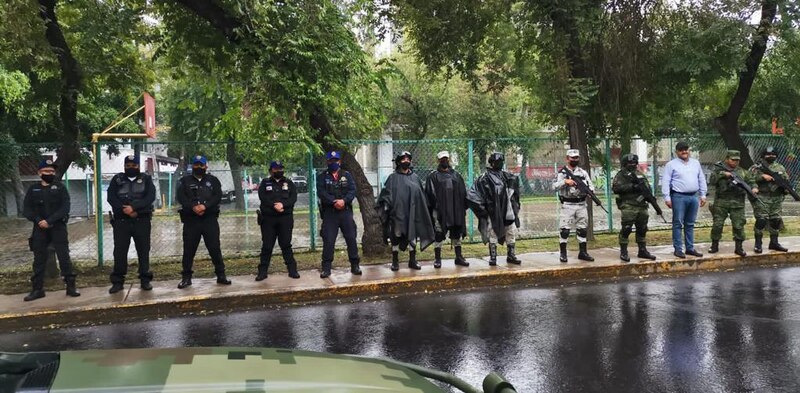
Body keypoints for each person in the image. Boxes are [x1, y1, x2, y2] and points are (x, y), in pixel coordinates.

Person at [22, 159, 80, 301]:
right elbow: (27, 209)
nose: (50, 173)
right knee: (39, 259)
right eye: (47, 171)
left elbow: (65, 208)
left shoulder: (60, 188)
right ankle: (37, 289)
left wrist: (49, 221)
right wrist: (38, 221)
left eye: (52, 171)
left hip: (58, 227)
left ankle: (70, 287)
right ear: (39, 173)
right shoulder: (33, 189)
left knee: (64, 257)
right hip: (39, 229)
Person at [176, 155, 231, 289]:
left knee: (214, 248)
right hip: (191, 221)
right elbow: (181, 197)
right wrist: (193, 207)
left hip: (209, 220)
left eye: (201, 165)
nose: (199, 167)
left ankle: (221, 275)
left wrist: (205, 206)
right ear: (192, 166)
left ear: (206, 166)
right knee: (189, 250)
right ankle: (186, 278)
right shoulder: (184, 181)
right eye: (196, 165)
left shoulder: (213, 180)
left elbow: (217, 196)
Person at [377, 151, 436, 271]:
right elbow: (385, 195)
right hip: (397, 213)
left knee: (412, 236)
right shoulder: (392, 178)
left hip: (413, 213)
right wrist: (387, 207)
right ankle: (395, 261)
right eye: (403, 159)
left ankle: (412, 260)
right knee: (396, 237)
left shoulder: (415, 178)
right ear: (398, 162)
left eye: (408, 159)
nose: (406, 161)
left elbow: (422, 196)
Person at [107, 155, 156, 293]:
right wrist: (126, 210)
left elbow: (150, 197)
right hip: (121, 221)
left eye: (133, 165)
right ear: (124, 166)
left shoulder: (146, 179)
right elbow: (111, 198)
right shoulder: (117, 180)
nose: (131, 167)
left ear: (138, 166)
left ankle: (145, 280)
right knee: (120, 251)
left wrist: (134, 208)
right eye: (128, 165)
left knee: (143, 250)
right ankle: (118, 282)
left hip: (142, 220)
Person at [467, 152, 521, 266]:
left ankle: (511, 255)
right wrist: (484, 209)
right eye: (497, 162)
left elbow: (514, 191)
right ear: (492, 163)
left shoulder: (506, 175)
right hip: (493, 211)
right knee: (493, 232)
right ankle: (493, 257)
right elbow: (472, 195)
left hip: (508, 211)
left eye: (501, 162)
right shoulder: (485, 177)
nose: (500, 164)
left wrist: (515, 206)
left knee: (510, 232)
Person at [317, 151, 361, 278]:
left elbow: (353, 190)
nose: (333, 163)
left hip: (345, 212)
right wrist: (333, 201)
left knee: (351, 238)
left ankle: (355, 265)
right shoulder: (322, 177)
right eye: (331, 161)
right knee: (329, 240)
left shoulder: (347, 175)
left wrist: (344, 201)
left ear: (339, 162)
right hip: (330, 213)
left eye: (336, 161)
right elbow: (321, 192)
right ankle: (326, 268)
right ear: (327, 162)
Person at [660, 141, 707, 259]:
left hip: (693, 197)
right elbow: (665, 181)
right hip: (678, 197)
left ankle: (690, 248)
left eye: (686, 149)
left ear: (689, 150)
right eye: (681, 150)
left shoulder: (695, 163)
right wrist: (667, 197)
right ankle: (678, 249)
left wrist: (703, 195)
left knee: (690, 224)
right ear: (677, 152)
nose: (684, 151)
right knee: (677, 223)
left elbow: (701, 178)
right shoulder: (671, 165)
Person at [256, 160, 300, 281]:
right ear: (271, 170)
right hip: (268, 219)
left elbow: (293, 198)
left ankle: (293, 270)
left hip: (285, 219)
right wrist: (274, 205)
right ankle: (262, 272)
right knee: (267, 246)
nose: (279, 171)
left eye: (281, 168)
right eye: (276, 169)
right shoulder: (265, 183)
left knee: (286, 244)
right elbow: (263, 198)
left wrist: (283, 205)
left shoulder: (289, 183)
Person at [709, 150, 758, 257]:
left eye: (737, 160)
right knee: (717, 224)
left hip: (738, 203)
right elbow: (712, 180)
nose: (735, 162)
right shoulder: (718, 170)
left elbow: (751, 181)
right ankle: (714, 245)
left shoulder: (743, 172)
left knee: (739, 225)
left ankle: (739, 247)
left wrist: (754, 188)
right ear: (727, 159)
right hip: (721, 202)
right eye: (733, 160)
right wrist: (723, 174)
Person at [424, 151, 469, 268]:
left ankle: (459, 257)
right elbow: (430, 194)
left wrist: (463, 207)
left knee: (456, 233)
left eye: (446, 159)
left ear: (449, 160)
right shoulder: (433, 176)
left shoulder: (456, 175)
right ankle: (437, 258)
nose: (445, 161)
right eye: (442, 159)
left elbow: (463, 192)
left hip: (455, 210)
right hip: (440, 211)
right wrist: (436, 207)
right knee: (439, 233)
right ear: (438, 161)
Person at [611, 154, 657, 262]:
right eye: (630, 163)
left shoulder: (640, 174)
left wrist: (650, 196)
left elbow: (647, 188)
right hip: (628, 205)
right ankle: (624, 251)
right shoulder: (621, 175)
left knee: (642, 228)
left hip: (642, 206)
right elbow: (616, 188)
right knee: (626, 228)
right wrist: (632, 187)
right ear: (625, 164)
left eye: (634, 163)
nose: (632, 165)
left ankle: (642, 250)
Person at [552, 149, 594, 263]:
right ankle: (563, 253)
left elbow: (591, 186)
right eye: (572, 158)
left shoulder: (583, 173)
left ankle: (583, 252)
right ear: (567, 158)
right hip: (568, 205)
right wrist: (565, 182)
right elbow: (554, 186)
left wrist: (588, 191)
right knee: (565, 230)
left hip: (581, 204)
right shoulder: (562, 173)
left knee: (582, 229)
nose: (575, 159)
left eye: (576, 158)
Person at [749, 146, 789, 253]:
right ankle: (758, 244)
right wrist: (762, 177)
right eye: (768, 154)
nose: (771, 156)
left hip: (776, 198)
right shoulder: (756, 167)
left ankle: (774, 243)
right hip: (762, 197)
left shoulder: (780, 167)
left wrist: (785, 188)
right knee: (761, 220)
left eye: (773, 154)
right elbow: (749, 179)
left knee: (775, 220)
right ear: (763, 155)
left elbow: (786, 180)